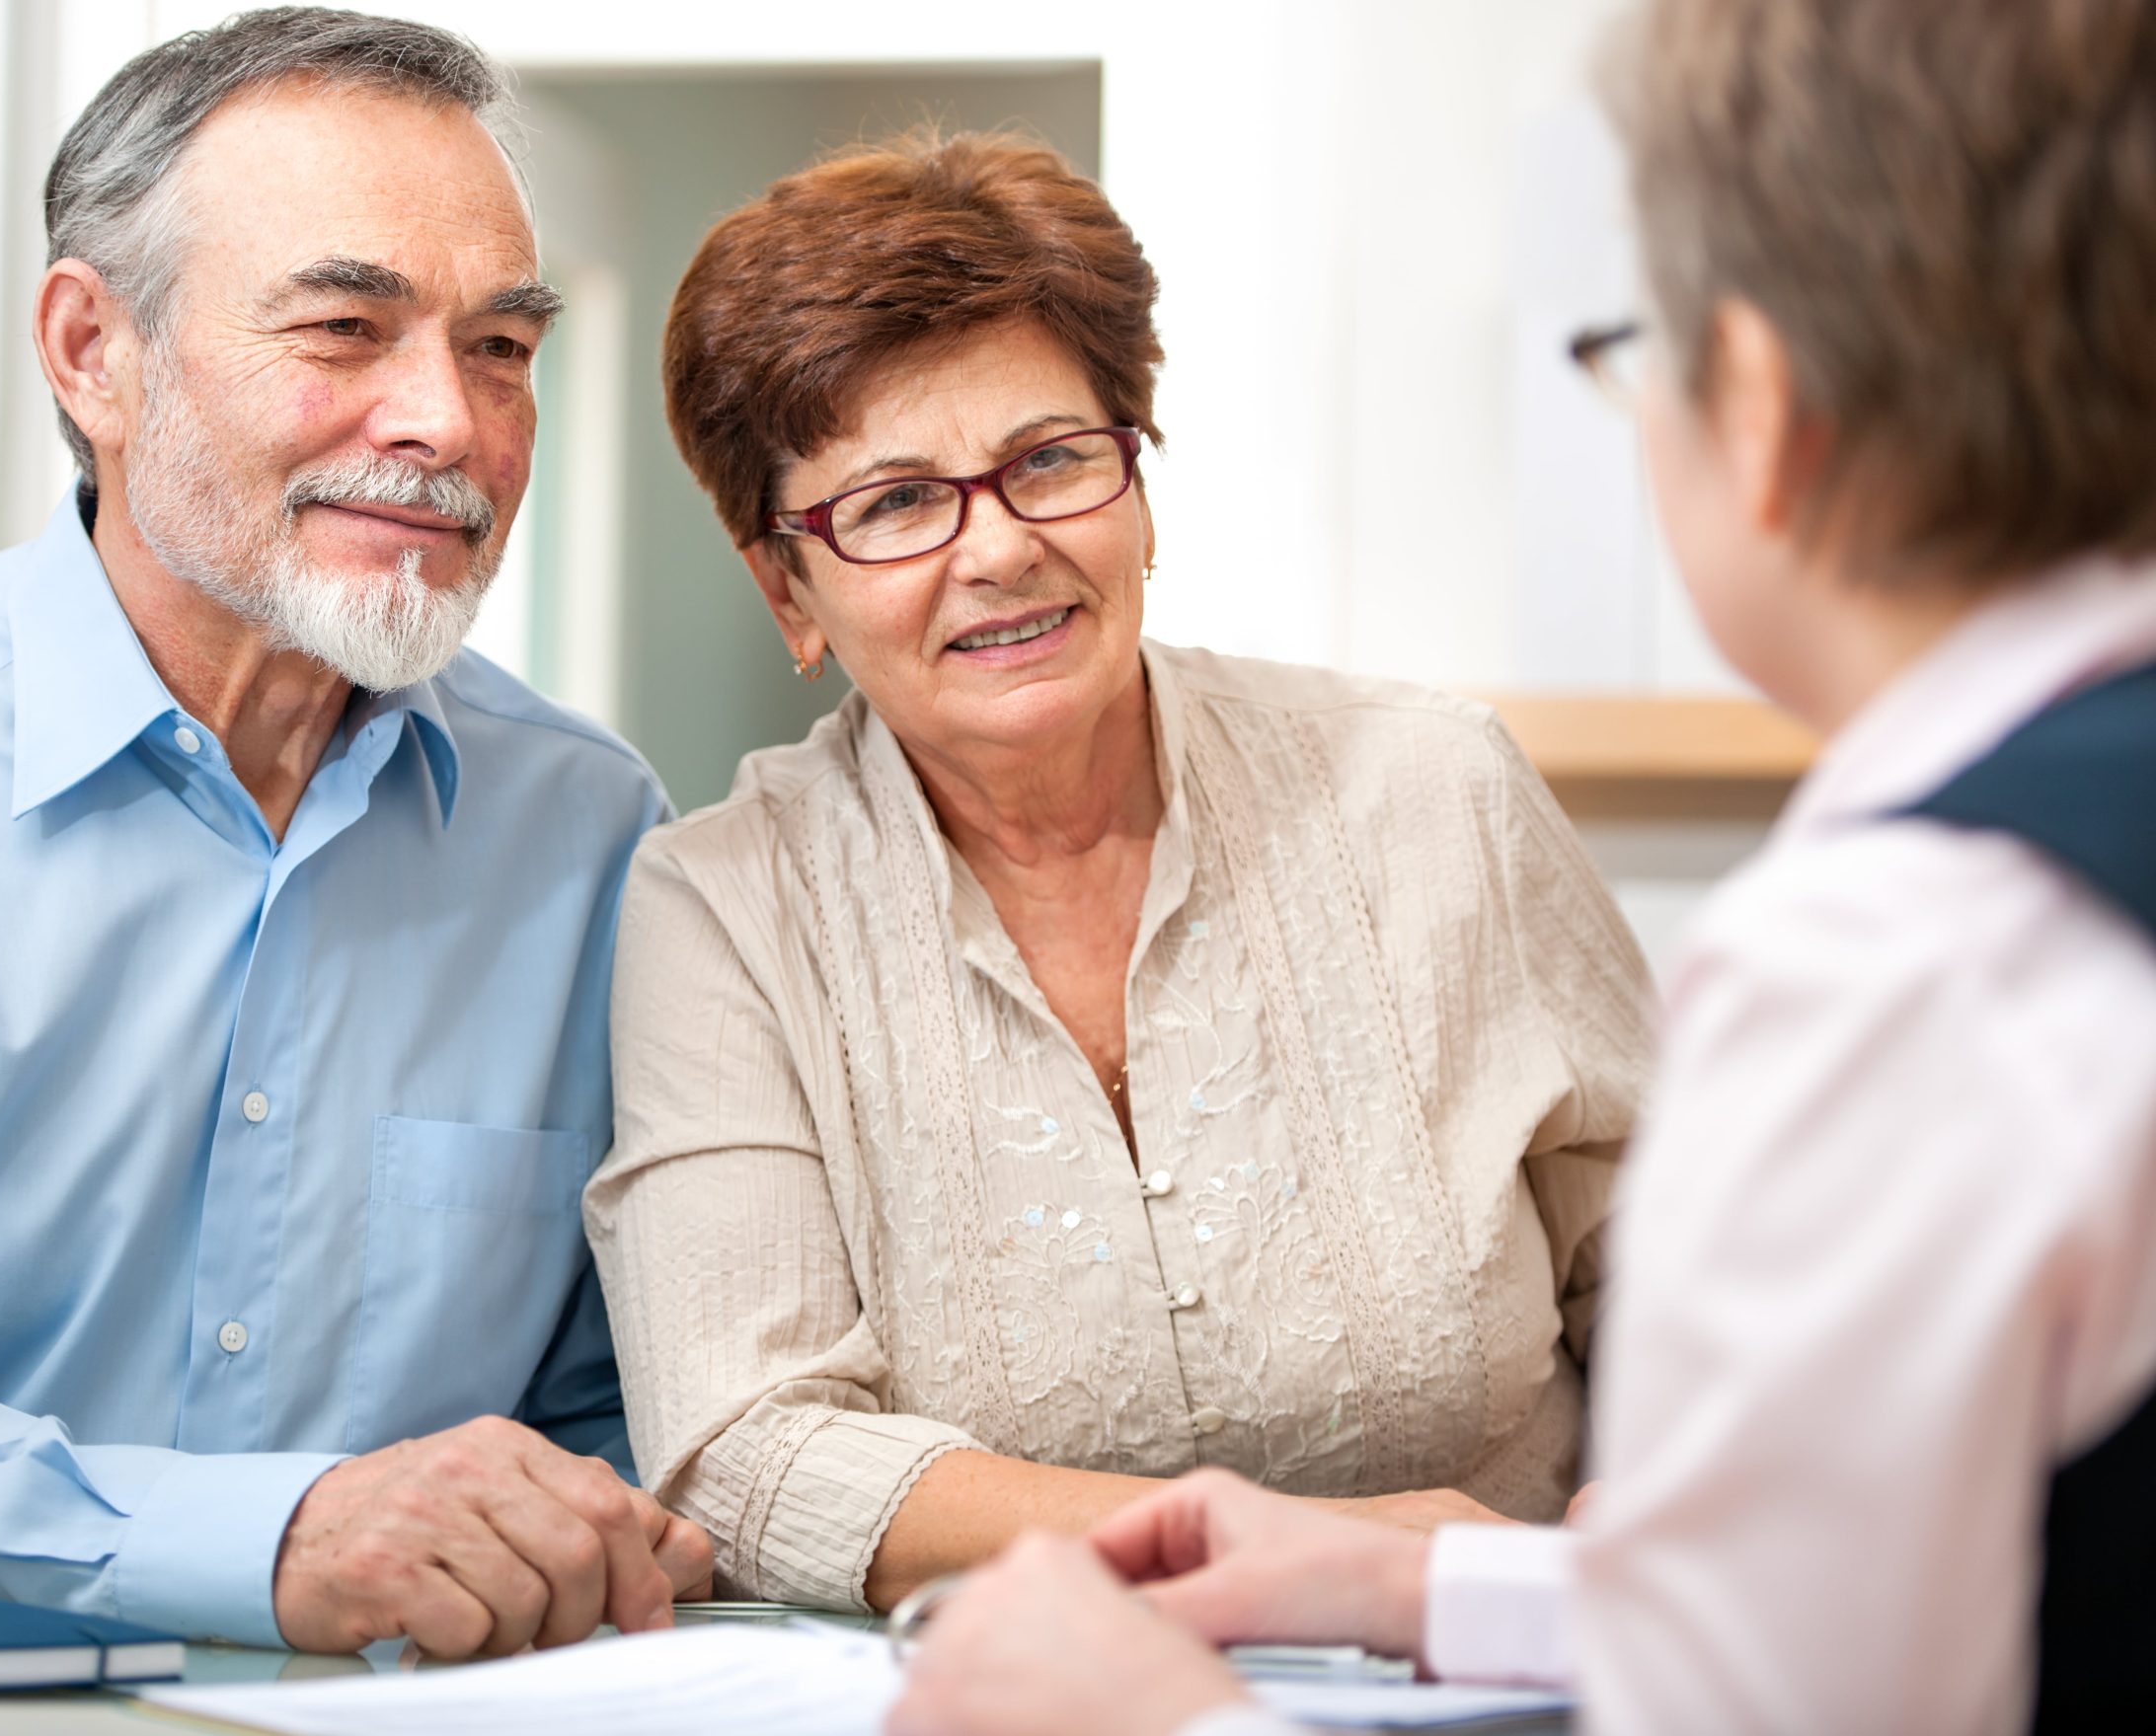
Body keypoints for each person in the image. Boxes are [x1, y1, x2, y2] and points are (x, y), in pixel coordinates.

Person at [886, 0, 2156, 1730]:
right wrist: (1435, 1580)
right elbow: (1883, 1598)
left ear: (1764, 408)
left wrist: (1153, 1721)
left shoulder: (1904, 964)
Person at [0, 7, 711, 1658]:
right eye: (346, 326)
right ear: (91, 353)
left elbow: (605, 1421)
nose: (447, 423)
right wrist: (265, 1541)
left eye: (501, 347)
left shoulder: (592, 828)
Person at [582, 130, 1655, 1615]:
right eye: (895, 502)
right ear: (790, 589)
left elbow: (1679, 1278)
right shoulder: (724, 910)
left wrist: (1674, 1483)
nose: (1000, 549)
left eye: (1050, 462)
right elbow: (743, 1452)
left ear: (1137, 488)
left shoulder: (1435, 790)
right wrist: (1253, 1549)